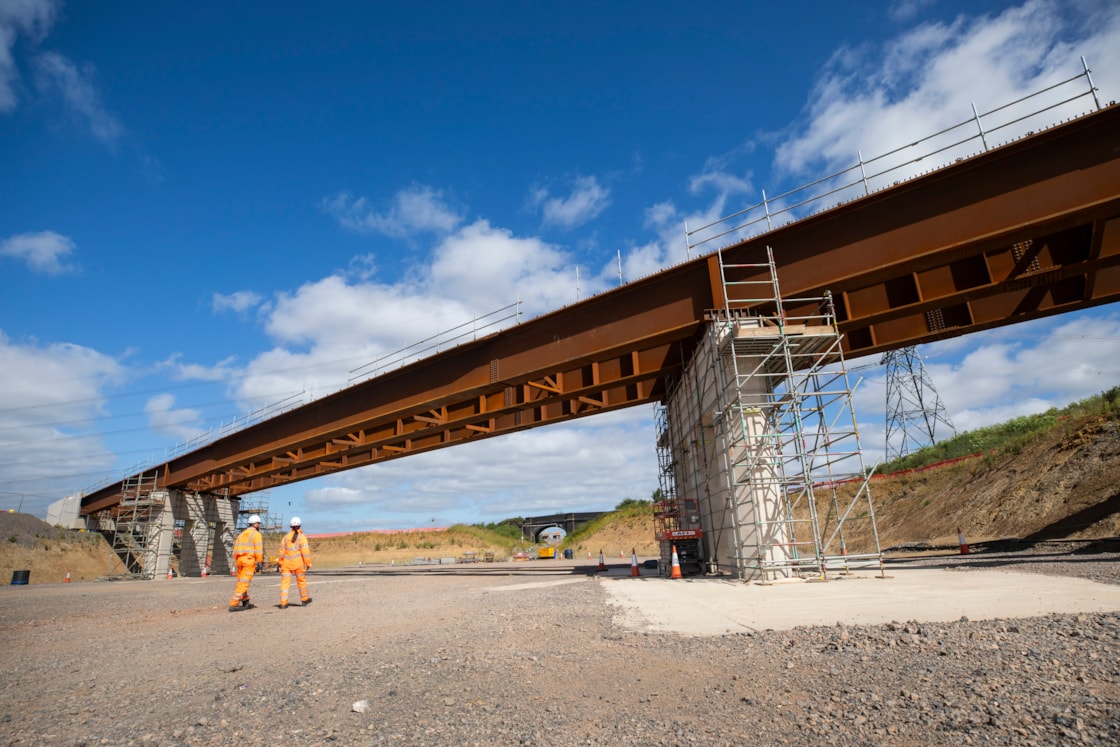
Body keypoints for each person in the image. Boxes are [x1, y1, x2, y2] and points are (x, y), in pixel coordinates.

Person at [228, 514, 263, 612]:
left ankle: (245, 600)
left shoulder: (242, 534)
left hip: (239, 560)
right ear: (255, 524)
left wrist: (235, 559)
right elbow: (259, 549)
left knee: (241, 581)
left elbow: (236, 547)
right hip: (248, 560)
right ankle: (233, 604)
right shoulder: (256, 534)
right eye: (259, 524)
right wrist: (259, 561)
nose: (259, 526)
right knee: (244, 583)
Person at [278, 516, 312, 609]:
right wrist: (308, 563)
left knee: (285, 583)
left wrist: (280, 563)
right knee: (301, 581)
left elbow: (281, 551)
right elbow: (305, 552)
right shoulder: (302, 537)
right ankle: (304, 600)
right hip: (298, 564)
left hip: (286, 564)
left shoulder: (285, 537)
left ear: (291, 526)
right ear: (300, 526)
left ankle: (283, 603)